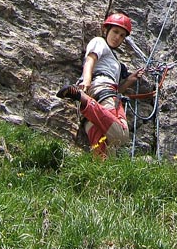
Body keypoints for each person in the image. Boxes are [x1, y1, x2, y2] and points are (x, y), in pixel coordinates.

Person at [56, 12, 144, 157]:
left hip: (100, 97)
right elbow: (90, 60)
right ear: (106, 30)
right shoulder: (99, 42)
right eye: (115, 32)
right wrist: (86, 81)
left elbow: (117, 89)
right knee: (121, 135)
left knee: (104, 152)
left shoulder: (115, 62)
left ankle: (101, 177)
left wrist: (130, 80)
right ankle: (82, 99)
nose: (118, 37)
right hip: (101, 89)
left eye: (122, 35)